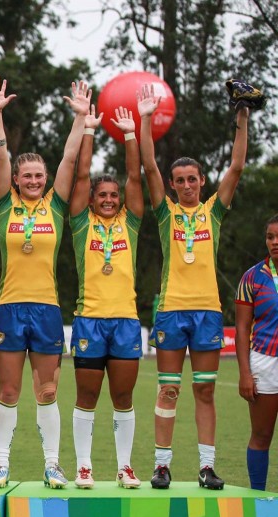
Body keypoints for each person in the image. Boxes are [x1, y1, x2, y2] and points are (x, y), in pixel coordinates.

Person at [138, 85, 250, 490]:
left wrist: (242, 115)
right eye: (179, 181)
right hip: (171, 309)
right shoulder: (166, 213)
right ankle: (162, 466)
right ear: (171, 185)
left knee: (204, 393)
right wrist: (147, 118)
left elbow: (236, 166)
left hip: (206, 312)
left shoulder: (213, 212)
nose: (186, 185)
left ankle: (206, 467)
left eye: (192, 179)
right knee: (168, 392)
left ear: (202, 181)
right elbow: (148, 166)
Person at [0, 78, 90, 488]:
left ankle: (52, 464)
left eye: (37, 175)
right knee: (9, 391)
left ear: (45, 178)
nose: (32, 180)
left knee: (47, 391)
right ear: (15, 179)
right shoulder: (3, 205)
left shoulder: (55, 205)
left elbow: (69, 160)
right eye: (25, 175)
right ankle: (0, 464)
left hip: (47, 308)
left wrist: (80, 118)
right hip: (9, 306)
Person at [68, 105, 144, 488]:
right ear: (94, 199)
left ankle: (124, 466)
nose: (110, 199)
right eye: (103, 195)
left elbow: (135, 174)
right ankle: (84, 466)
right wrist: (89, 129)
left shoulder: (131, 222)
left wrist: (131, 133)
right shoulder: (82, 224)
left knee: (123, 396)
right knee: (87, 395)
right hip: (89, 319)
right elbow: (81, 174)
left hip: (126, 321)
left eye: (114, 195)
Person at [236, 215, 278, 491]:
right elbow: (241, 328)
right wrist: (245, 374)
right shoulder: (252, 277)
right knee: (261, 435)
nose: (275, 242)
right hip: (265, 362)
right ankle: (258, 498)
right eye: (270, 237)